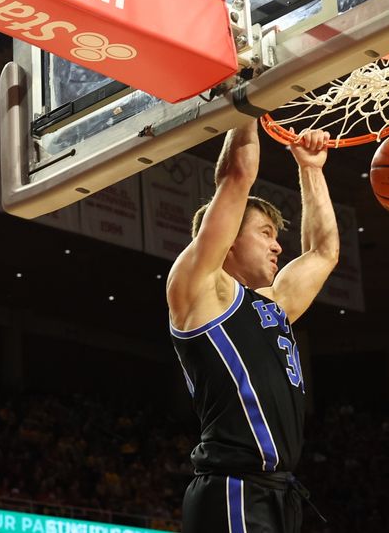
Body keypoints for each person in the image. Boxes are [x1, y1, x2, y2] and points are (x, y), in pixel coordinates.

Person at [166, 119, 338, 533]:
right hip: (232, 488)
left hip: (278, 492)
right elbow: (238, 173)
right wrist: (246, 103)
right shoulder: (200, 291)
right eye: (265, 232)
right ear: (228, 239)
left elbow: (323, 251)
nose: (278, 244)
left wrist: (311, 169)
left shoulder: (274, 306)